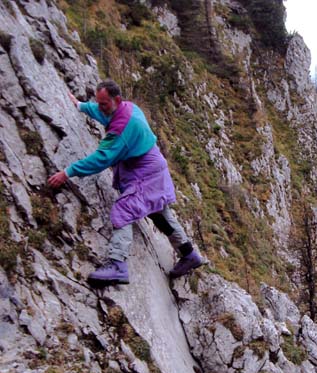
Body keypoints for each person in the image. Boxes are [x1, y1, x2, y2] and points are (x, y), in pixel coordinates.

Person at [48, 79, 208, 285]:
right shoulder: (126, 108)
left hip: (147, 174)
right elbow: (103, 113)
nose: (100, 106)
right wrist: (80, 105)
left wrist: (68, 172)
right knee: (159, 213)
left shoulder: (122, 129)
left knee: (124, 210)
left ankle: (117, 265)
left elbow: (102, 158)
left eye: (104, 103)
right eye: (99, 102)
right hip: (152, 166)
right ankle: (189, 254)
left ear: (116, 100)